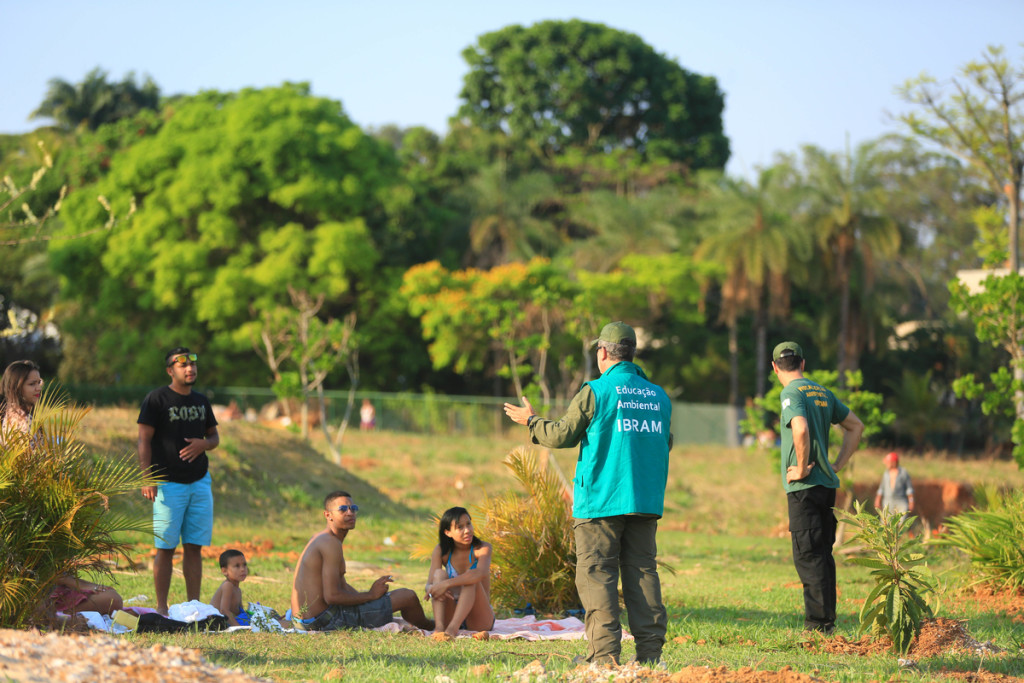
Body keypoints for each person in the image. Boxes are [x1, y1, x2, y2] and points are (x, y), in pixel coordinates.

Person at [503, 321, 672, 666]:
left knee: (597, 575)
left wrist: (531, 421)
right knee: (642, 574)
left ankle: (605, 657)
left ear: (603, 352)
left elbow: (563, 434)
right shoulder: (658, 396)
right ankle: (651, 657)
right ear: (631, 352)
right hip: (643, 500)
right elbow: (665, 442)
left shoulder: (596, 391)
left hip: (600, 502)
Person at [772, 341, 864, 635]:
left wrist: (800, 467)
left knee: (808, 555)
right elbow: (856, 426)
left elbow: (799, 428)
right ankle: (826, 621)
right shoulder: (822, 392)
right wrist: (837, 463)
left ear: (775, 368)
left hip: (805, 486)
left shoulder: (790, 392)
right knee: (823, 554)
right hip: (826, 484)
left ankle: (818, 626)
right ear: (803, 363)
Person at [137, 347, 219, 615]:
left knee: (194, 547)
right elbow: (144, 440)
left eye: (193, 363)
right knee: (165, 547)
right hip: (167, 483)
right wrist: (146, 477)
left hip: (199, 482)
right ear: (170, 370)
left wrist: (202, 444)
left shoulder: (201, 401)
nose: (189, 368)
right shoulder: (156, 399)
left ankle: (193, 606)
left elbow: (214, 438)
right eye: (181, 363)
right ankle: (161, 608)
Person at [290, 491, 433, 632]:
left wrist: (369, 599)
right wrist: (370, 595)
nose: (350, 513)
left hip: (306, 621)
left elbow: (341, 585)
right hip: (325, 621)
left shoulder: (321, 538)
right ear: (328, 515)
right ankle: (433, 627)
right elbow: (332, 596)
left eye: (353, 508)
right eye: (343, 509)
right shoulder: (330, 543)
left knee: (390, 599)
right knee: (407, 596)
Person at [424, 506, 495, 640]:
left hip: (478, 617)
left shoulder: (482, 548)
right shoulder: (441, 551)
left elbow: (480, 573)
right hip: (451, 611)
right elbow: (429, 585)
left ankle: (452, 629)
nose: (467, 530)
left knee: (471, 578)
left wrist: (446, 584)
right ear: (448, 532)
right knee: (439, 574)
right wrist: (435, 587)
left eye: (468, 524)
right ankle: (439, 628)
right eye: (460, 527)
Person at [0, 360, 44, 440]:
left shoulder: (9, 413)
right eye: (32, 384)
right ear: (16, 387)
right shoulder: (25, 421)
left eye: (39, 383)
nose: (39, 388)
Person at [211, 549, 251, 627]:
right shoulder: (227, 586)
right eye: (237, 566)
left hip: (232, 620)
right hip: (218, 622)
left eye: (244, 565)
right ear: (224, 571)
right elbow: (224, 611)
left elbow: (239, 612)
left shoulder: (238, 590)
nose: (243, 569)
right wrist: (240, 628)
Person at [49, 575, 123, 617]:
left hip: (63, 589)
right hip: (46, 598)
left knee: (111, 596)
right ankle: (59, 617)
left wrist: (82, 584)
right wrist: (81, 585)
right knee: (111, 599)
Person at [874, 451, 915, 516]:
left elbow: (909, 489)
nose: (886, 464)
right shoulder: (886, 474)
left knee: (902, 523)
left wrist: (911, 501)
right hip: (887, 502)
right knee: (886, 522)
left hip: (901, 501)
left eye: (888, 462)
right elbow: (881, 489)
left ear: (893, 462)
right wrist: (877, 500)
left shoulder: (903, 473)